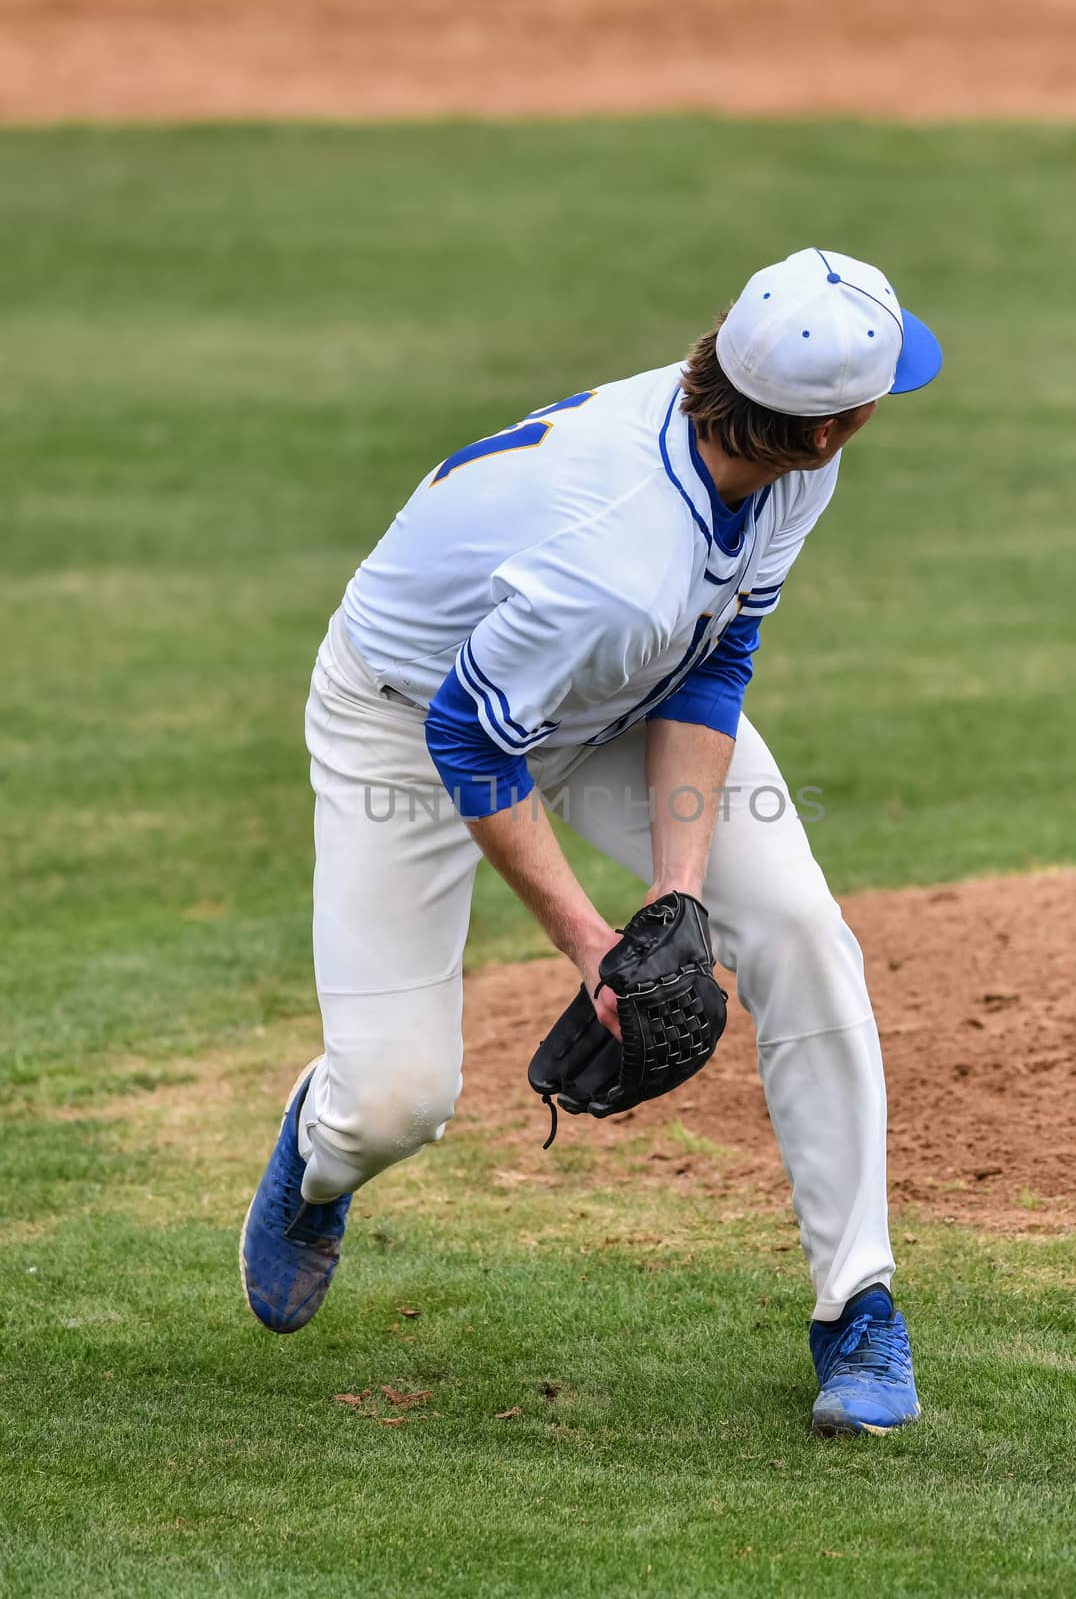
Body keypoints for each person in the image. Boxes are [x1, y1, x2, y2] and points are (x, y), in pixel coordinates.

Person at [239, 247, 943, 1437]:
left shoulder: (778, 464)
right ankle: (319, 1152)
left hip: (614, 692)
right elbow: (470, 736)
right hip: (408, 714)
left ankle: (857, 1304)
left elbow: (714, 652)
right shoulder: (617, 557)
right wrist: (591, 943)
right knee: (395, 1103)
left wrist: (673, 900)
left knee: (802, 934)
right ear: (830, 427)